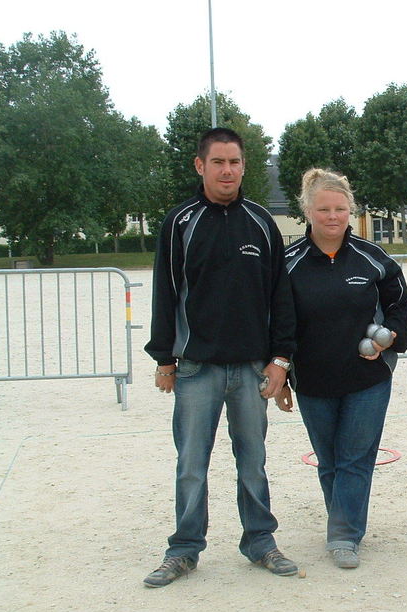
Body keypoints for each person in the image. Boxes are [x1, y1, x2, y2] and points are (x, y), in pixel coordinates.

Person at [143, 127, 298, 587]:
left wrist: (281, 360)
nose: (227, 170)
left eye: (234, 162)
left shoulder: (261, 222)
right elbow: (165, 293)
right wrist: (164, 358)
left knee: (253, 460)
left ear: (243, 166)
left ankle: (260, 542)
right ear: (200, 166)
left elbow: (280, 297)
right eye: (218, 162)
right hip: (195, 368)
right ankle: (184, 549)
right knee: (192, 463)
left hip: (252, 367)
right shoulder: (180, 223)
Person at [277, 168, 407, 569]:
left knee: (355, 458)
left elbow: (400, 305)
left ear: (350, 209)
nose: (333, 216)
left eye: (340, 208)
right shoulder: (287, 264)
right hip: (313, 381)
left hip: (367, 379)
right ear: (307, 210)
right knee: (329, 459)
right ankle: (343, 519)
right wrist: (281, 371)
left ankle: (344, 534)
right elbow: (278, 324)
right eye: (324, 209)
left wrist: (390, 335)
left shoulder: (374, 259)